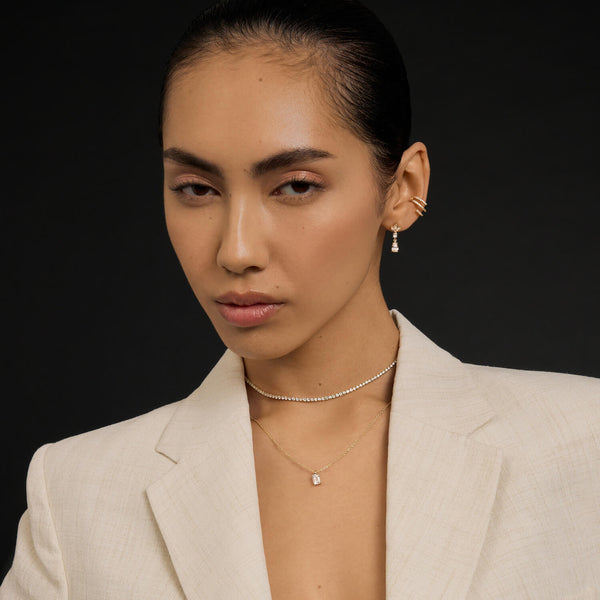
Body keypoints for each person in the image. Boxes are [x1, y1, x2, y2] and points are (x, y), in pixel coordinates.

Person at [1, 0, 599, 598]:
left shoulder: (584, 445)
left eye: (295, 185)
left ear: (403, 189)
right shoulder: (76, 495)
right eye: (197, 189)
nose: (236, 250)